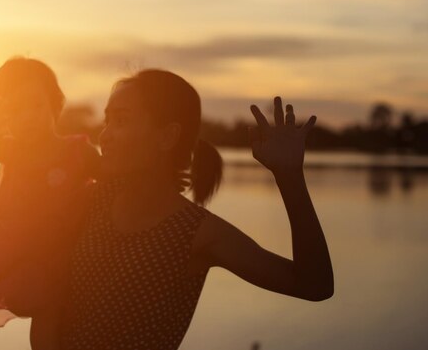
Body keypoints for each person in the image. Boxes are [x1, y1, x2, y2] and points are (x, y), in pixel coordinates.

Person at [49, 69, 334, 349]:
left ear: (167, 137)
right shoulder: (91, 199)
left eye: (121, 121)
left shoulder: (194, 232)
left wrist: (290, 177)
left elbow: (314, 286)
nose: (106, 135)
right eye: (107, 121)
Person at [0, 57, 99, 349]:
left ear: (54, 105)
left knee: (63, 309)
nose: (28, 116)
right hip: (20, 256)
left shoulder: (77, 151)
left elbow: (113, 175)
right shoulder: (13, 149)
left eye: (35, 105)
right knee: (47, 310)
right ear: (4, 117)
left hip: (67, 250)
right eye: (16, 110)